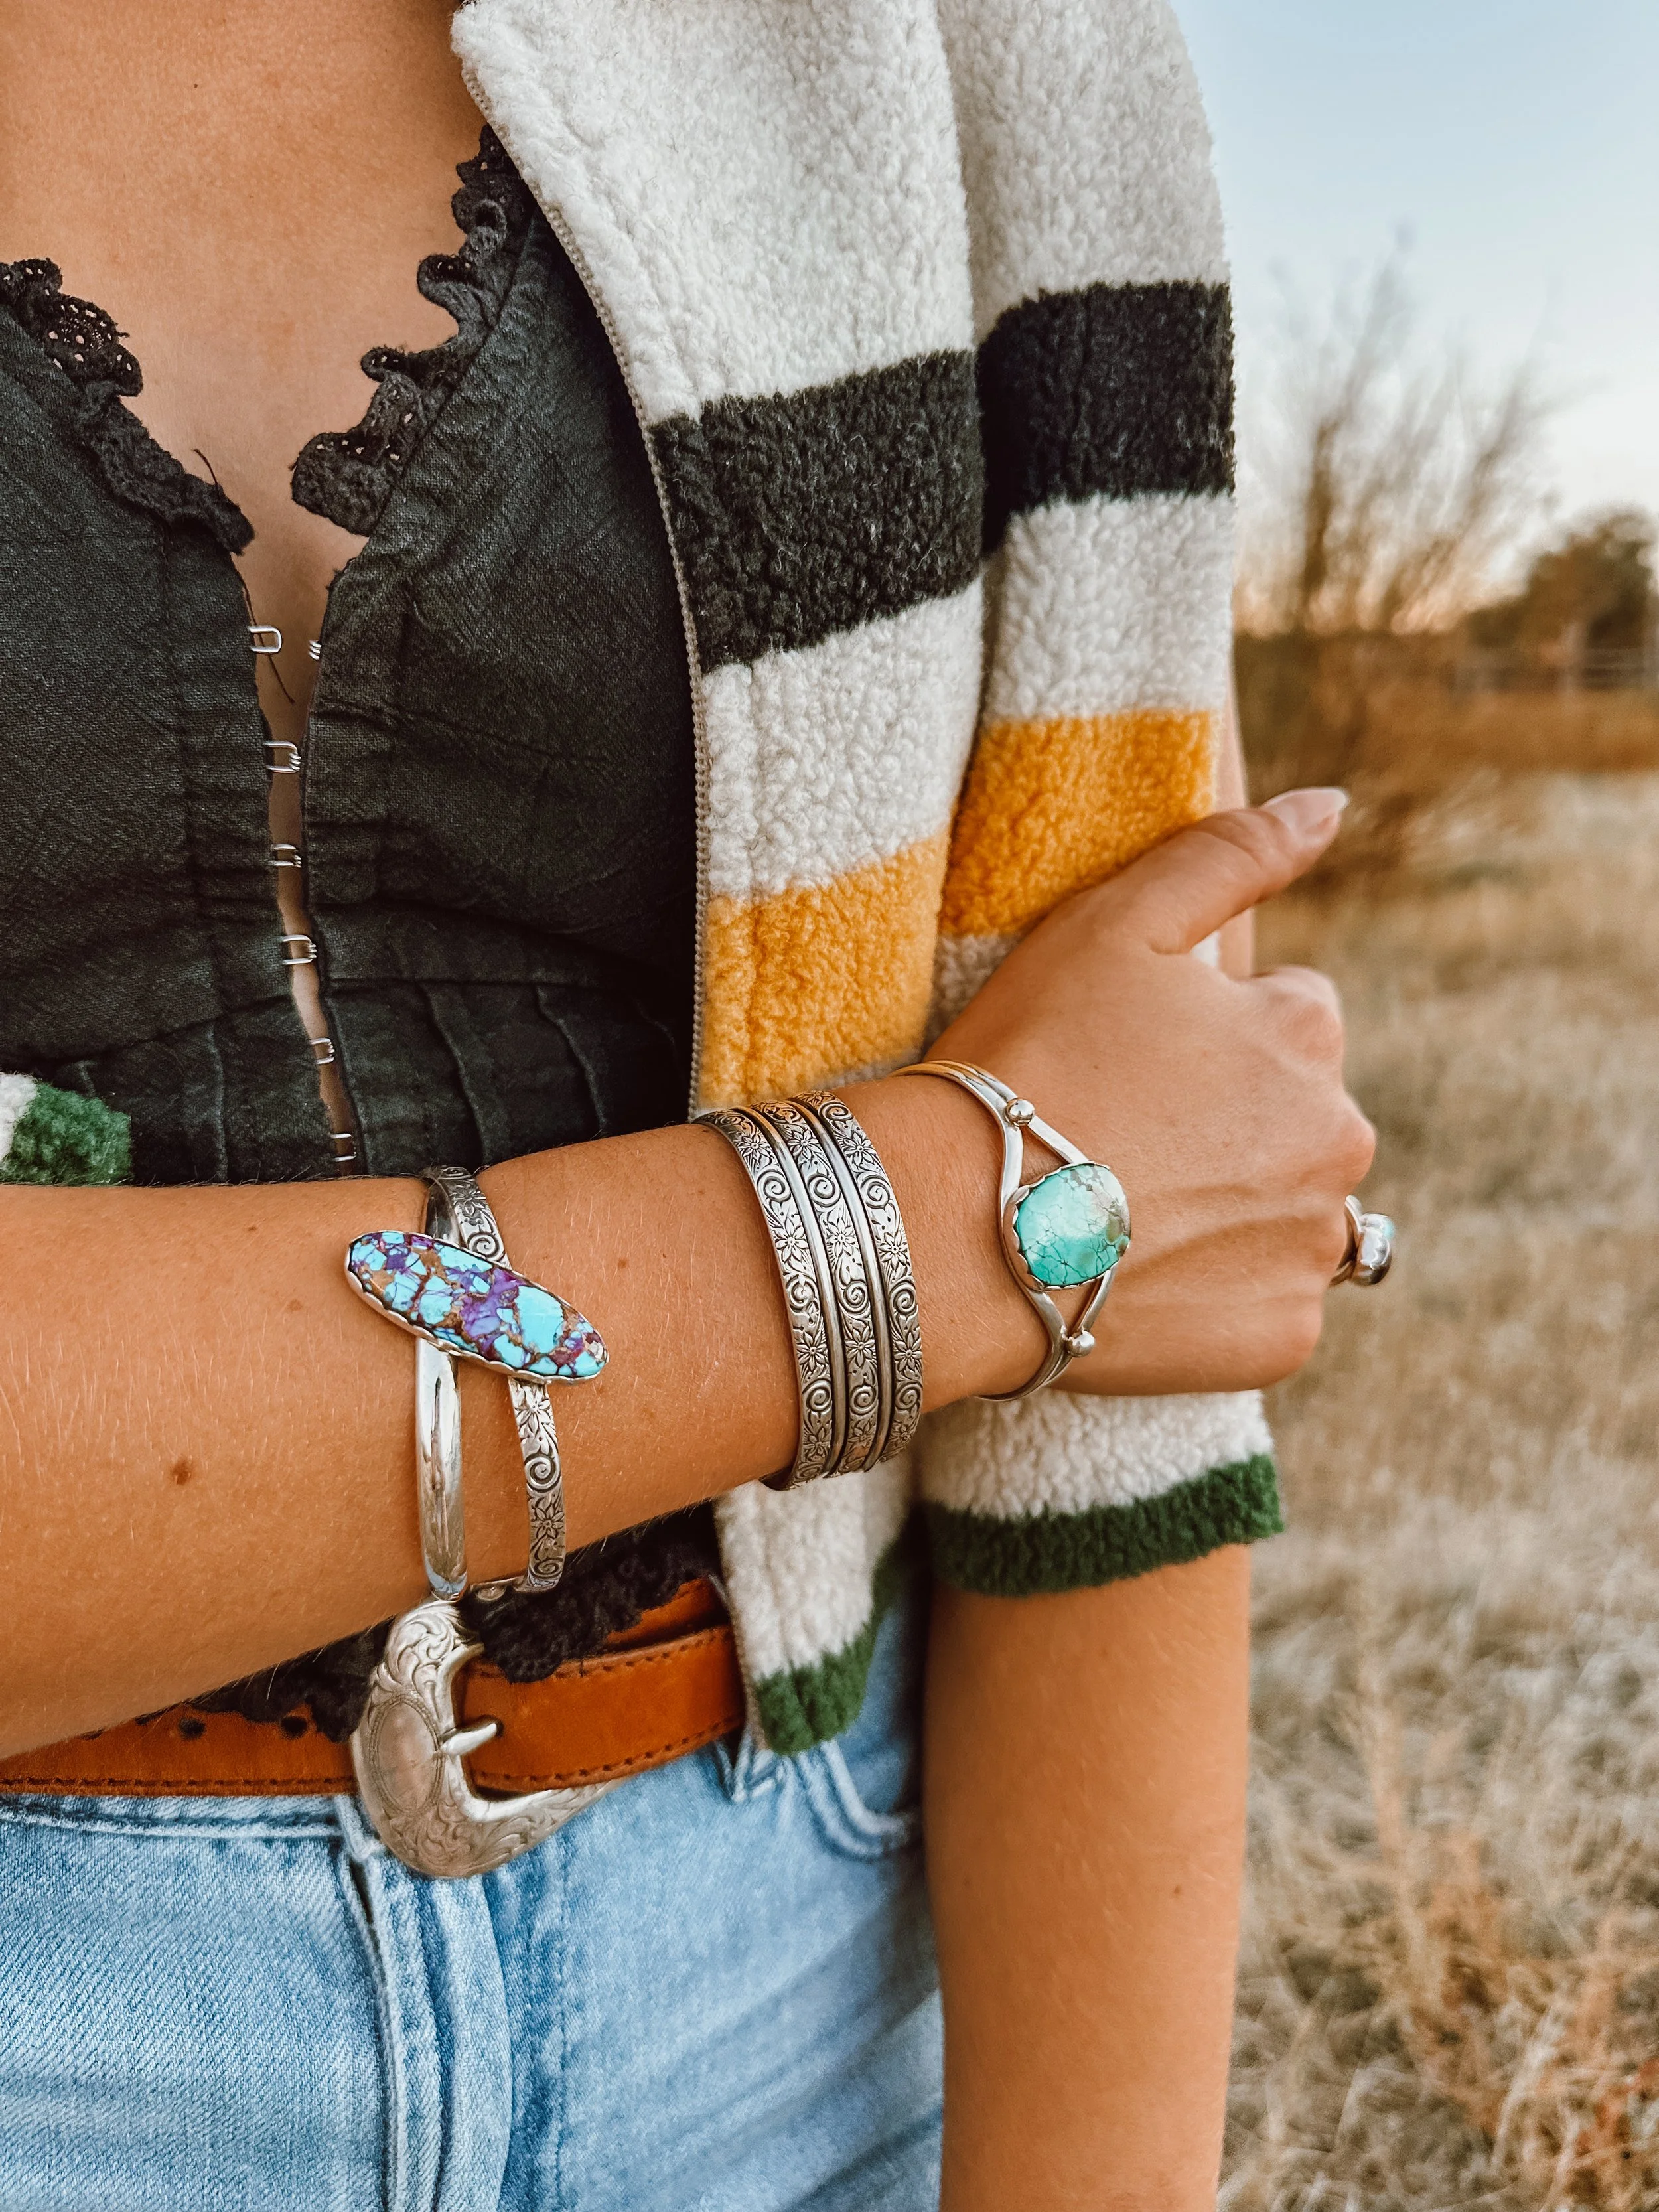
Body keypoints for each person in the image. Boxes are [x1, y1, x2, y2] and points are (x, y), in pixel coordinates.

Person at [0, 3, 1376, 2207]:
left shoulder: (970, 35)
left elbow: (1119, 1331)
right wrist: (949, 1221)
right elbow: (1112, 1204)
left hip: (805, 1959)